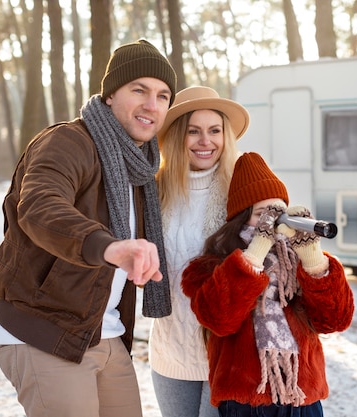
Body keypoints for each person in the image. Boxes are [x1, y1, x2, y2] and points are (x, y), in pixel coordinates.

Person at [0, 39, 177, 417]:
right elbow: (40, 206)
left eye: (162, 95)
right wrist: (110, 247)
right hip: (45, 329)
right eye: (139, 89)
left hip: (104, 332)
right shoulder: (67, 141)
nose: (151, 105)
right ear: (109, 95)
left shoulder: (139, 168)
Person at [181, 152, 355, 417]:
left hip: (303, 399)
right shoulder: (211, 266)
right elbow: (219, 318)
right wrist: (256, 250)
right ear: (241, 218)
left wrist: (313, 259)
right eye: (263, 214)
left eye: (279, 213)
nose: (273, 223)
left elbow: (336, 320)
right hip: (246, 403)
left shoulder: (299, 262)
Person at [148, 86, 250, 417]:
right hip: (169, 351)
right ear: (178, 136)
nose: (205, 141)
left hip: (226, 352)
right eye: (194, 131)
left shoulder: (241, 190)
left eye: (214, 130)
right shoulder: (154, 192)